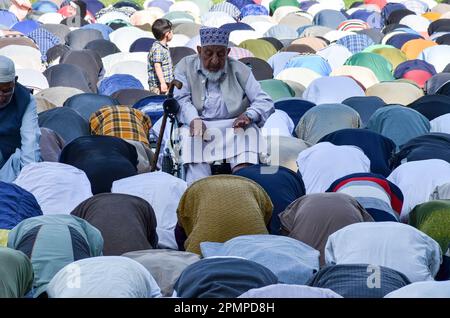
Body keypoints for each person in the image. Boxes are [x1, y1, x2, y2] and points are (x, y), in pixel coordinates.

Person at [174, 27, 274, 184]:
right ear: (199, 51)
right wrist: (193, 119)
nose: (214, 61)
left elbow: (264, 100)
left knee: (250, 132)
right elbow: (181, 99)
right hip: (198, 124)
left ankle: (243, 184)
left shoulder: (240, 69)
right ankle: (199, 189)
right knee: (188, 138)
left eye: (220, 54)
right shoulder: (184, 66)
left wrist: (248, 115)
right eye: (208, 54)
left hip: (233, 125)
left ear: (227, 53)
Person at [0, 56, 40, 182]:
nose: (1, 97)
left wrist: (29, 180)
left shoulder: (26, 100)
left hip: (11, 161)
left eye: (6, 91)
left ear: (15, 82)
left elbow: (30, 141)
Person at [147, 19, 174, 95]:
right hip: (159, 86)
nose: (172, 33)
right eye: (171, 31)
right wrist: (162, 83)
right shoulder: (158, 48)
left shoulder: (163, 47)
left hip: (166, 83)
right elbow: (157, 66)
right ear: (167, 34)